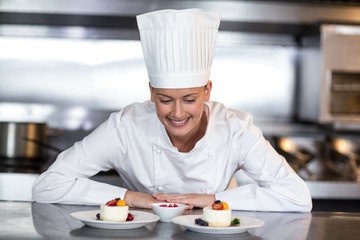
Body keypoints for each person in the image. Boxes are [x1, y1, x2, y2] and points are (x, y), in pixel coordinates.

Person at [32, 9, 312, 212]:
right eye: (165, 99)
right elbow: (47, 186)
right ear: (151, 92)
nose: (177, 113)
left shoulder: (235, 128)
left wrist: (212, 198)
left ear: (207, 91)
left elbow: (297, 197)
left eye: (189, 99)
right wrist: (130, 197)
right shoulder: (125, 127)